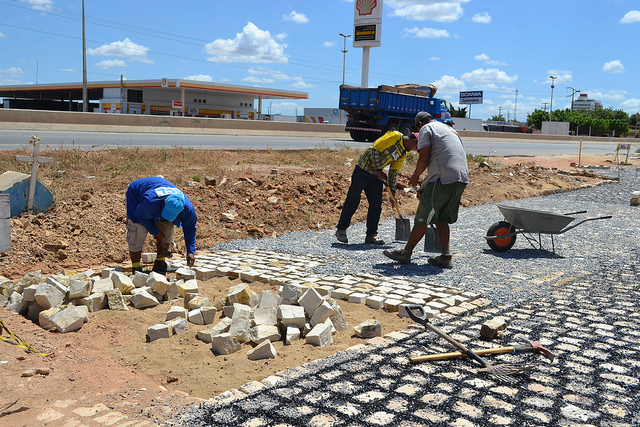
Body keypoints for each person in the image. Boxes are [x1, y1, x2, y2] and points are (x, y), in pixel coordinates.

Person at [383, 111, 468, 268]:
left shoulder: (426, 129)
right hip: (460, 179)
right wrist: (425, 184)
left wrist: (415, 177)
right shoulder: (449, 129)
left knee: (422, 217)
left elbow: (424, 158)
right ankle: (445, 256)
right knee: (442, 218)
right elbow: (444, 158)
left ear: (420, 124)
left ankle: (406, 253)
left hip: (442, 179)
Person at [335, 130, 418, 244]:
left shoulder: (402, 153)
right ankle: (341, 229)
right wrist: (378, 170)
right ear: (413, 140)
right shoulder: (395, 136)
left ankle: (371, 235)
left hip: (375, 175)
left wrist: (392, 191)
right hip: (363, 169)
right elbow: (374, 149)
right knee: (353, 199)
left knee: (376, 204)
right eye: (416, 146)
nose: (415, 149)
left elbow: (394, 171)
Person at [126, 176, 197, 274]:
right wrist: (155, 231)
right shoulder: (150, 201)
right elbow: (140, 216)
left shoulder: (188, 209)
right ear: (164, 203)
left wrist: (190, 251)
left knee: (166, 230)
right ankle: (136, 268)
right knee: (138, 230)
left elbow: (190, 228)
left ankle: (160, 264)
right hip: (136, 196)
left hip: (157, 204)